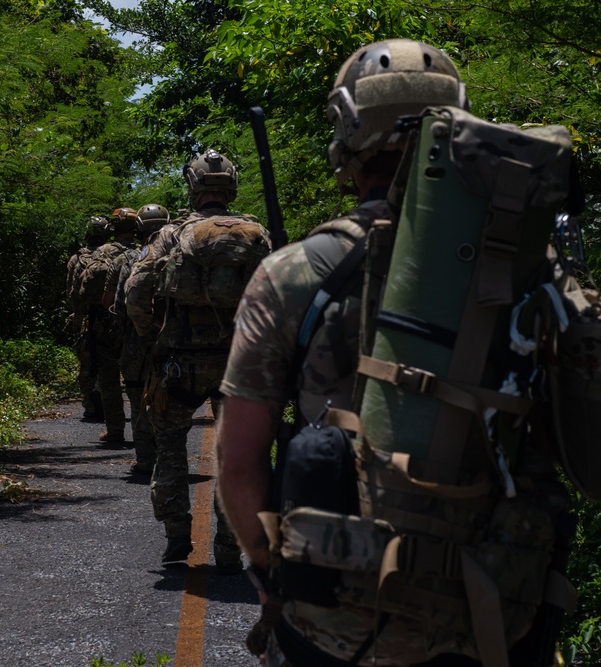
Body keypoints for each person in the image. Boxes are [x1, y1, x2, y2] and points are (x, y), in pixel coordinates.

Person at [216, 39, 571, 666]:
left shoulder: (294, 272)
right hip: (494, 615)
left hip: (333, 625)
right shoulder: (532, 270)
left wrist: (277, 576)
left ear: (349, 130)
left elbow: (239, 459)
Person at [126, 151, 270, 571]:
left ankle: (176, 537)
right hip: (239, 364)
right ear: (232, 187)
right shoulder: (257, 234)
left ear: (193, 186)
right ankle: (229, 546)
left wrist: (152, 335)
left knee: (170, 448)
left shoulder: (170, 235)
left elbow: (136, 293)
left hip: (177, 361)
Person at [103, 204, 171, 474]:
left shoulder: (131, 259)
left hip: (136, 341)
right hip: (174, 340)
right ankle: (169, 457)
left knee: (138, 398)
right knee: (170, 401)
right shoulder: (183, 253)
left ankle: (145, 461)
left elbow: (120, 305)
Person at [88, 207, 139, 444]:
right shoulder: (146, 252)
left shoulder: (102, 252)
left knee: (109, 380)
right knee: (139, 381)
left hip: (106, 324)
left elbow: (87, 288)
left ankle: (116, 430)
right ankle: (143, 433)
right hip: (137, 324)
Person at [66, 216, 112, 421]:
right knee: (110, 360)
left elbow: (70, 292)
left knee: (86, 361)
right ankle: (110, 402)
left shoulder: (76, 259)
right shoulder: (112, 254)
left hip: (84, 317)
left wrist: (78, 312)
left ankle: (90, 406)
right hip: (110, 315)